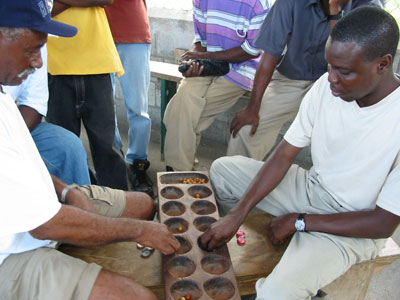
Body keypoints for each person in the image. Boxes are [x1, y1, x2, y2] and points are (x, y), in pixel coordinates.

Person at [200, 6, 400, 299]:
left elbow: (383, 223)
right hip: (312, 189)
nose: (331, 78)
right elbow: (283, 155)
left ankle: (302, 263)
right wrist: (237, 216)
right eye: (329, 66)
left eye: (343, 71)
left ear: (383, 64)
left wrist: (300, 220)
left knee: (276, 293)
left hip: (356, 226)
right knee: (222, 170)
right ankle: (266, 247)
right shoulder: (327, 87)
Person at [0, 1, 179, 299]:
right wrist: (137, 231)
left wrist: (66, 191)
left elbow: (25, 166)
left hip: (42, 213)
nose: (39, 63)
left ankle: (83, 247)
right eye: (31, 50)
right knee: (141, 297)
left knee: (144, 205)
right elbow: (45, 225)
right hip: (12, 251)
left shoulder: (5, 93)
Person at [228, 0, 382, 161]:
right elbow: (269, 56)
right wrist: (252, 109)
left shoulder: (368, 8)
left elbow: (347, 60)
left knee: (343, 142)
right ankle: (236, 183)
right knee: (246, 130)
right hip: (291, 79)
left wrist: (334, 10)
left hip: (340, 85)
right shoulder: (290, 2)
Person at [163, 0, 271, 171]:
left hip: (242, 70)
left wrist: (207, 57)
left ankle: (177, 177)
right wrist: (193, 62)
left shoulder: (257, 4)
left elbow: (250, 51)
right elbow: (201, 41)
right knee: (182, 106)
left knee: (178, 116)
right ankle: (182, 178)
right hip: (208, 63)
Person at [46, 0, 128, 190]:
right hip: (55, 67)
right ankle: (75, 207)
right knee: (64, 148)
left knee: (106, 146)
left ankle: (122, 206)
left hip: (97, 62)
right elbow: (40, 10)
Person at [3, 45, 91, 185]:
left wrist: (10, 142)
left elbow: (33, 104)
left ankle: (79, 203)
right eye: (32, 49)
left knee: (66, 145)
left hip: (11, 126)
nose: (39, 62)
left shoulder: (34, 42)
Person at [105, 0, 154, 196]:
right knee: (104, 108)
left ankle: (137, 163)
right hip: (97, 32)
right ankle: (114, 157)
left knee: (137, 107)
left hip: (132, 29)